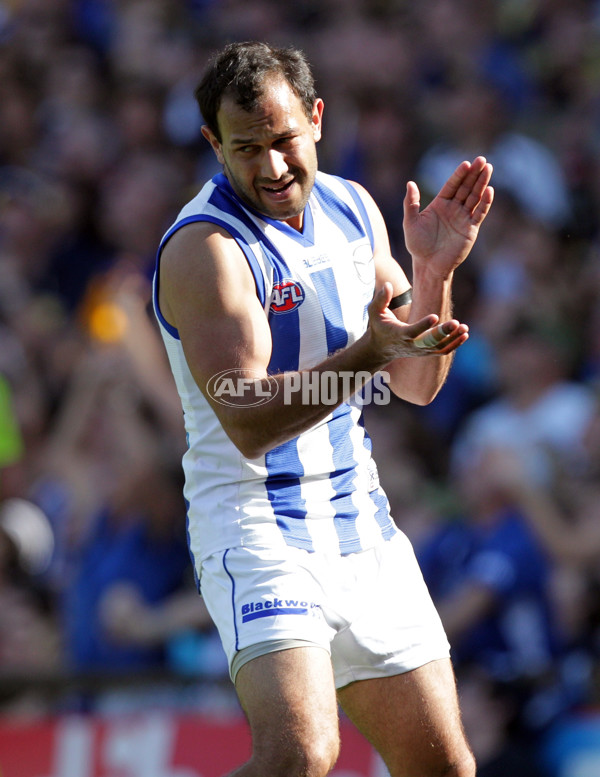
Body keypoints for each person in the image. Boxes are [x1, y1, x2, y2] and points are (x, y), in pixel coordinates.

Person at [153, 41, 493, 777]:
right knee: (300, 755)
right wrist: (370, 354)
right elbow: (246, 422)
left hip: (358, 517)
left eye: (284, 142)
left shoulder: (352, 208)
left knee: (446, 767)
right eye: (246, 149)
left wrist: (433, 276)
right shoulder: (207, 249)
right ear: (214, 144)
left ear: (315, 118)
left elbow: (418, 382)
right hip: (254, 523)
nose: (271, 168)